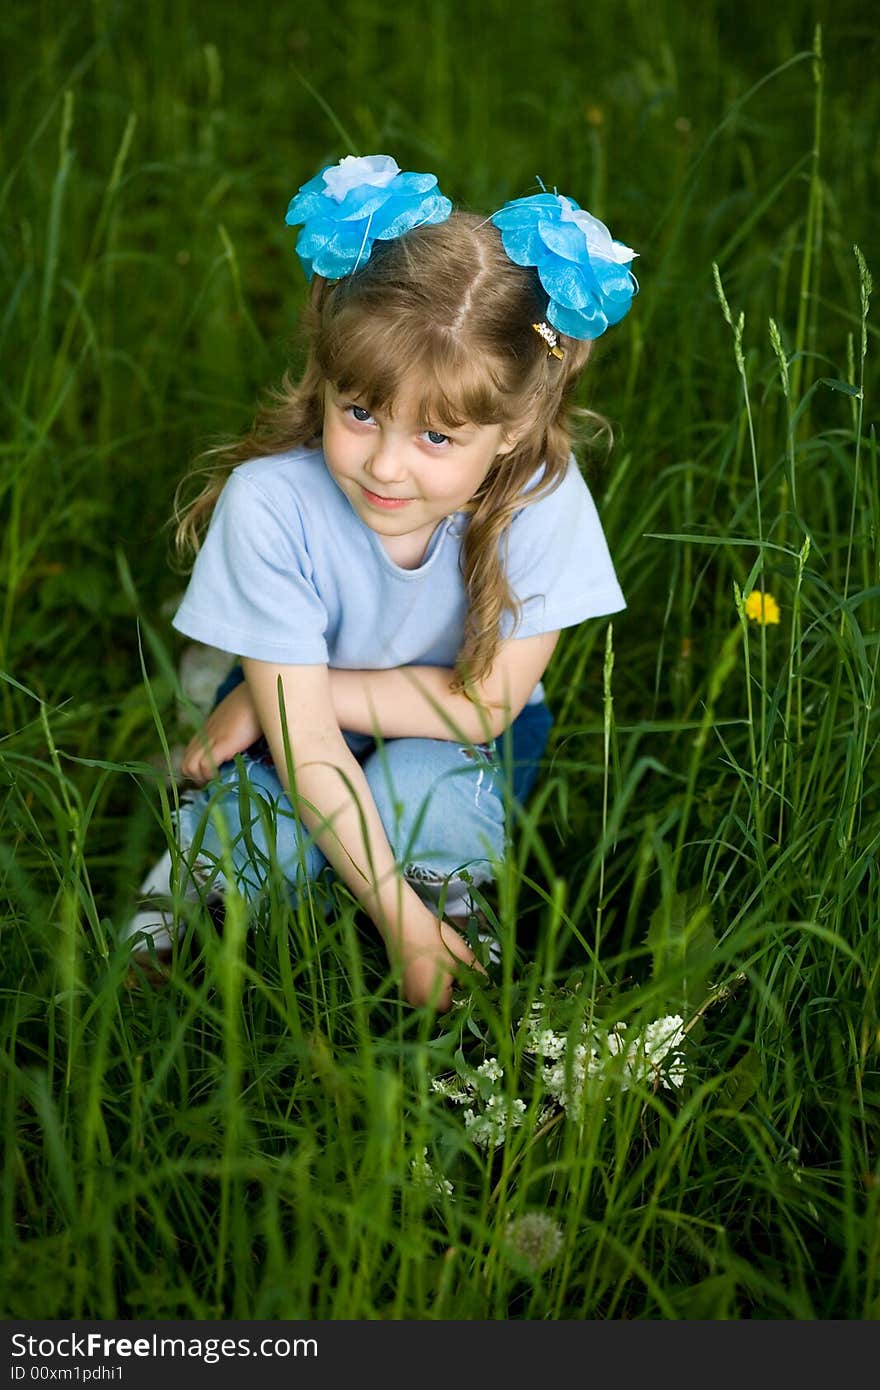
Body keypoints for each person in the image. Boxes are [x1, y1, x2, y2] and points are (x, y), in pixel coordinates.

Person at [122, 153, 636, 1010]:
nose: (387, 468)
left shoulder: (541, 495)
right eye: (360, 413)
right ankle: (189, 908)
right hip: (302, 727)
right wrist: (286, 713)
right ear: (327, 382)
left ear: (511, 430)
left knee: (428, 789)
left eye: (437, 438)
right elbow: (310, 746)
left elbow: (485, 707)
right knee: (264, 832)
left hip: (451, 728)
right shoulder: (271, 503)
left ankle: (451, 942)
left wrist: (290, 698)